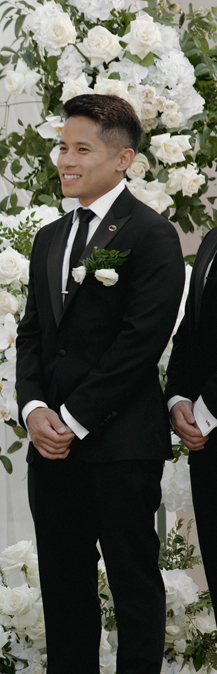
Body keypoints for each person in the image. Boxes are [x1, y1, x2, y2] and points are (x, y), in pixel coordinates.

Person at [15, 94, 184, 674]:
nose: (66, 159)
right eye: (62, 147)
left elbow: (140, 344)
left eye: (81, 148)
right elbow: (32, 336)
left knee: (133, 583)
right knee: (63, 588)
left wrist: (75, 418)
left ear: (123, 160)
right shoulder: (50, 238)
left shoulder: (151, 234)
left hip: (119, 447)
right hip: (50, 447)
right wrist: (35, 409)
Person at [165, 224, 217, 584]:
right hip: (208, 445)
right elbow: (192, 327)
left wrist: (205, 410)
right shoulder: (213, 237)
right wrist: (178, 396)